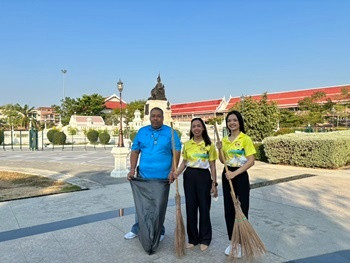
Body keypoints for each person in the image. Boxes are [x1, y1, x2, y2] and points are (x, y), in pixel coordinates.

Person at [124, 107, 181, 241]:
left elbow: (176, 152)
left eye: (158, 116)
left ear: (163, 117)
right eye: (153, 116)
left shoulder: (171, 133)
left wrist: (173, 171)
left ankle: (159, 231)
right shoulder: (142, 131)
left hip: (162, 178)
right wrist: (132, 169)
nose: (155, 118)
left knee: (159, 206)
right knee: (141, 204)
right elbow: (135, 150)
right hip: (143, 176)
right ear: (149, 117)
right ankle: (137, 229)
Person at [216, 110, 256, 257]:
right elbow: (223, 161)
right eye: (229, 121)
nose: (231, 123)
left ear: (239, 122)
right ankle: (232, 241)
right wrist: (219, 149)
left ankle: (241, 241)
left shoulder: (245, 139)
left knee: (242, 208)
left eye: (234, 120)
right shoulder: (225, 140)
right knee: (229, 210)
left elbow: (251, 160)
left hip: (240, 176)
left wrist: (235, 173)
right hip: (228, 175)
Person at [174, 118, 218, 252]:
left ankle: (205, 239)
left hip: (204, 177)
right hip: (189, 176)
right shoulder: (187, 144)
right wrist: (176, 173)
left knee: (204, 208)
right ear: (191, 129)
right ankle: (193, 238)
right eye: (194, 126)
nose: (196, 128)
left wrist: (214, 183)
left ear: (203, 128)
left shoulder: (209, 145)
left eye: (199, 126)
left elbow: (212, 166)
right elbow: (184, 162)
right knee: (190, 208)